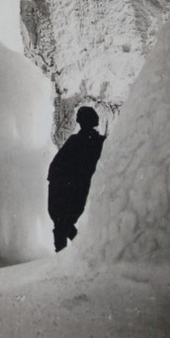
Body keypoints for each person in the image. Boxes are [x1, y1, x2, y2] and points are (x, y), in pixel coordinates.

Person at [47, 105, 106, 252]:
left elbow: (56, 165)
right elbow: (57, 165)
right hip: (72, 188)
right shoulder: (98, 142)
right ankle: (81, 249)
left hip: (73, 189)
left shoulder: (87, 141)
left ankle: (80, 250)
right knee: (63, 223)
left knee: (62, 223)